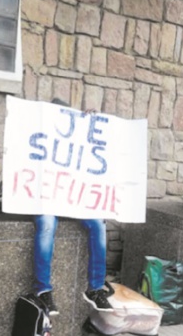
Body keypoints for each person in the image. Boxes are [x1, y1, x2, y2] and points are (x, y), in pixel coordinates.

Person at [33, 98, 113, 316]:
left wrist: (91, 124)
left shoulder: (76, 139)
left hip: (72, 199)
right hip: (48, 198)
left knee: (98, 225)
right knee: (46, 225)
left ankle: (95, 288)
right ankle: (43, 290)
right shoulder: (39, 135)